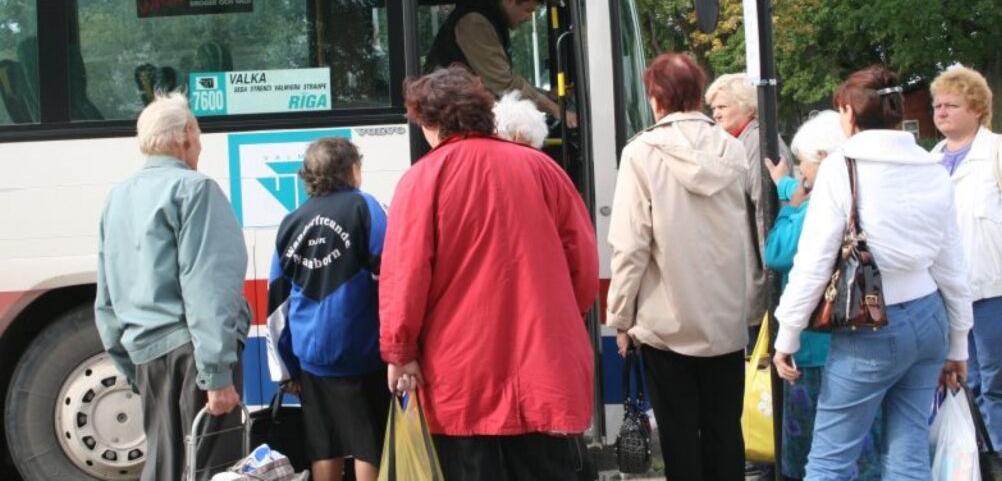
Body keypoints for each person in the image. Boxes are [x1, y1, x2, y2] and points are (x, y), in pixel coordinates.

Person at [379, 65, 598, 481]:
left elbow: (403, 278)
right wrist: (560, 318)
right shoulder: (544, 170)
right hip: (545, 369)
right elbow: (583, 266)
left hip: (459, 376)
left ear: (429, 121)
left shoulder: (422, 179)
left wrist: (400, 351)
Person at [772, 66, 973, 480]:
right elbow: (952, 264)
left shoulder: (842, 168)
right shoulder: (931, 165)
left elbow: (813, 264)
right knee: (909, 450)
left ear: (848, 113)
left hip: (870, 328)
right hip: (929, 318)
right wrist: (959, 344)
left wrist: (787, 334)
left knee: (830, 458)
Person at [606, 53, 752, 481]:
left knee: (679, 436)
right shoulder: (733, 148)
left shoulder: (641, 152)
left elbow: (630, 244)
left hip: (666, 325)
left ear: (656, 97)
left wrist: (620, 316)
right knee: (726, 431)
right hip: (725, 322)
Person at [94, 92, 249, 481]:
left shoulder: (117, 199)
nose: (200, 145)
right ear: (185, 134)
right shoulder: (195, 190)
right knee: (215, 470)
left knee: (164, 465)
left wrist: (131, 364)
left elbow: (107, 298)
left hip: (146, 354)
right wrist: (216, 374)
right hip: (193, 354)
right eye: (198, 135)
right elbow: (208, 286)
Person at [763, 111, 881, 480]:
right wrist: (787, 187)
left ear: (824, 158)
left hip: (817, 340)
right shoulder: (871, 189)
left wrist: (788, 204)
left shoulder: (816, 204)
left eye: (804, 163)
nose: (802, 173)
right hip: (868, 333)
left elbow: (779, 252)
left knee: (814, 443)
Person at [266, 137, 389, 481]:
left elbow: (278, 301)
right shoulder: (366, 208)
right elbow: (388, 275)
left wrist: (285, 368)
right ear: (352, 170)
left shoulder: (291, 220)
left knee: (324, 446)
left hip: (312, 359)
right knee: (370, 444)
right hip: (362, 351)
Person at [930, 66, 1002, 451]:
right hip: (945, 295)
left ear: (977, 109)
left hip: (993, 291)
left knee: (995, 381)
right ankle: (969, 461)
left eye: (952, 105)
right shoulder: (930, 159)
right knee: (958, 382)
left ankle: (1000, 461)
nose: (941, 112)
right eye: (937, 105)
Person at [706, 73, 793, 347]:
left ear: (747, 106)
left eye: (723, 107)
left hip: (759, 278)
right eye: (713, 108)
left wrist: (767, 279)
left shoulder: (756, 142)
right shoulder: (741, 141)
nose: (716, 114)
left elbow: (765, 212)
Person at [425, 0, 576, 127]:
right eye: (527, 10)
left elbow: (504, 80)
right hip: (446, 118)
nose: (529, 18)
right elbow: (503, 85)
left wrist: (547, 95)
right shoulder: (475, 23)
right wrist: (556, 110)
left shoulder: (491, 21)